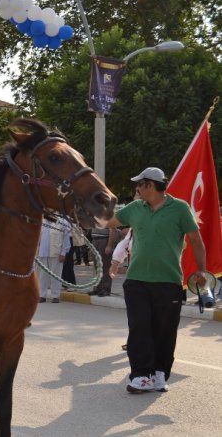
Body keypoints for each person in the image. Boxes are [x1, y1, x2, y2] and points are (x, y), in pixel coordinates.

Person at [105, 167, 207, 394]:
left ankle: (160, 373)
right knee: (139, 328)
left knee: (165, 331)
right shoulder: (134, 208)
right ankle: (141, 376)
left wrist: (201, 271)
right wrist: (86, 206)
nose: (137, 189)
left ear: (150, 185)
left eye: (139, 185)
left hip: (168, 282)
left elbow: (196, 240)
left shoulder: (180, 208)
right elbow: (108, 222)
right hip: (136, 281)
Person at [37, 218, 71, 303]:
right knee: (42, 276)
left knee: (56, 275)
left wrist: (63, 252)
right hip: (42, 252)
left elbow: (66, 238)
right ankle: (42, 295)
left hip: (56, 252)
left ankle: (55, 296)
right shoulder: (41, 220)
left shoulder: (62, 221)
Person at [87, 224, 120, 296]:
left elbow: (112, 230)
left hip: (104, 240)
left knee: (105, 266)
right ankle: (97, 288)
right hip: (95, 240)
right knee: (97, 266)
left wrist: (109, 245)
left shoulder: (108, 215)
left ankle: (106, 289)